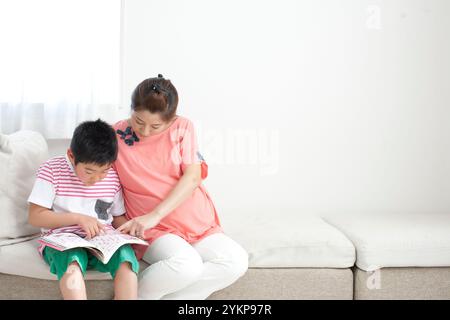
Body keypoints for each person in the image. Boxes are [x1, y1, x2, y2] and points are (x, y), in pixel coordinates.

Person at [112, 74, 248, 299]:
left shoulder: (183, 127)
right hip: (152, 228)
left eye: (155, 126)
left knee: (236, 261)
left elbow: (193, 177)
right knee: (186, 265)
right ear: (131, 110)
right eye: (138, 121)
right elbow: (92, 170)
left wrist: (156, 214)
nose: (145, 131)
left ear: (171, 119)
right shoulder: (114, 134)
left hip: (195, 222)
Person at [27, 119, 139, 300]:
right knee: (72, 260)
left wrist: (130, 228)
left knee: (125, 256)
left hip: (102, 241)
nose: (97, 178)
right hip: (63, 241)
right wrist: (78, 218)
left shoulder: (112, 177)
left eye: (104, 170)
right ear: (71, 155)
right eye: (89, 171)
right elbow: (35, 216)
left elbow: (117, 216)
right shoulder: (52, 170)